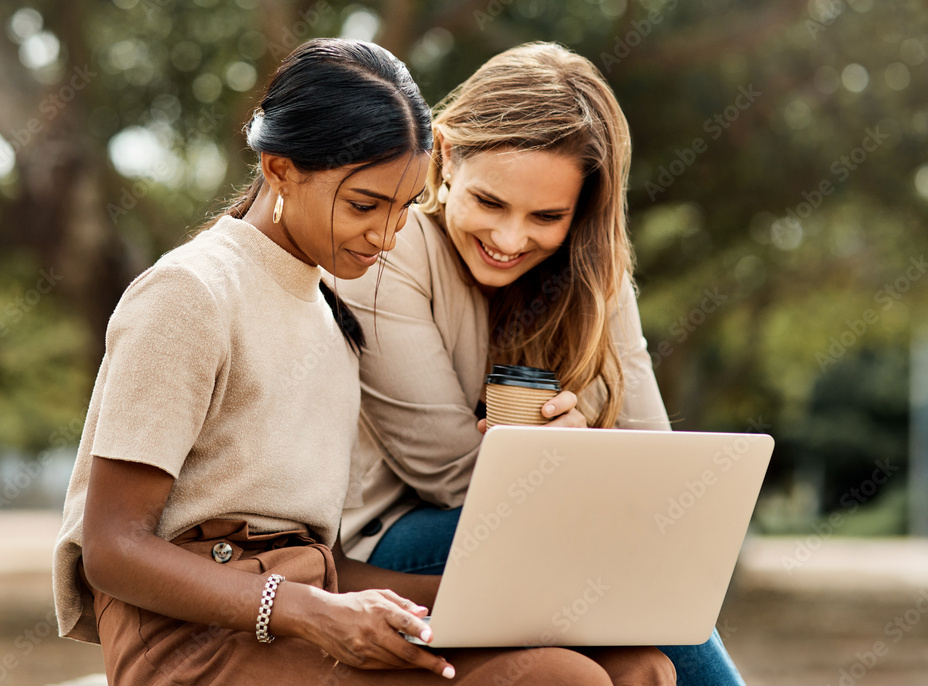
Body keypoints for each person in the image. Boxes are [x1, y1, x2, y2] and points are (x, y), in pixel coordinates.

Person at [53, 38, 673, 685]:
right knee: (560, 680)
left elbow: (315, 560)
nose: (387, 235)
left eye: (405, 208)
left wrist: (484, 600)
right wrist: (304, 610)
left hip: (305, 605)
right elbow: (113, 551)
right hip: (189, 642)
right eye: (364, 205)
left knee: (638, 664)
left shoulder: (330, 315)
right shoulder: (191, 292)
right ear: (280, 169)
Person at [337, 41, 744, 685]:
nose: (509, 239)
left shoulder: (596, 279)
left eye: (547, 216)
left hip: (546, 532)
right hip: (397, 536)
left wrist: (580, 462)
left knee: (645, 652)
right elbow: (446, 475)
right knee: (624, 555)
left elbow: (658, 459)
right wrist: (572, 474)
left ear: (581, 212)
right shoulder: (390, 252)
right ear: (444, 157)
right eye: (490, 203)